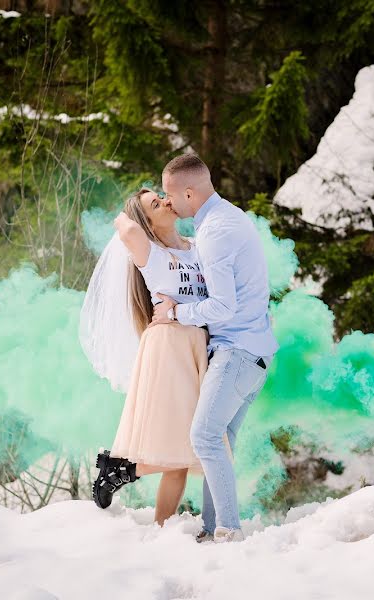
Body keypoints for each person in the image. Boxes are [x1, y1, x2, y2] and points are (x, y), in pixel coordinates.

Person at [151, 154, 278, 543]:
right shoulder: (227, 218)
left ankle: (228, 530)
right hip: (253, 352)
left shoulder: (216, 232)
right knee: (219, 440)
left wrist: (174, 313)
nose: (168, 203)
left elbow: (223, 306)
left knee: (205, 437)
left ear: (190, 192)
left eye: (171, 196)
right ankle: (213, 528)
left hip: (237, 352)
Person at [89, 186, 212, 526]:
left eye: (161, 196)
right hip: (168, 347)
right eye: (155, 204)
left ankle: (157, 524)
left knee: (186, 450)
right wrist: (134, 207)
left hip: (197, 345)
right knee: (180, 447)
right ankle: (126, 472)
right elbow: (127, 228)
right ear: (146, 222)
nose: (164, 201)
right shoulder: (148, 252)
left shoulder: (196, 247)